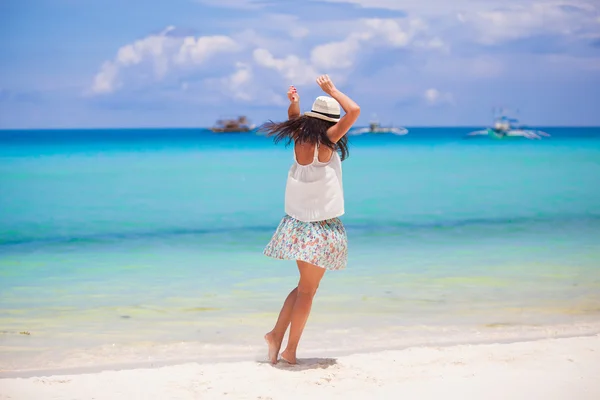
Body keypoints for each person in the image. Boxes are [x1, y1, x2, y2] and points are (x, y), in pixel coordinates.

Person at [260, 74, 360, 364]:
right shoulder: (328, 140)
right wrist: (332, 90)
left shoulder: (299, 138)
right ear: (330, 122)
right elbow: (354, 111)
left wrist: (294, 104)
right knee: (308, 291)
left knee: (304, 286)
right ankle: (289, 349)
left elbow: (293, 119)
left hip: (296, 225)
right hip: (320, 227)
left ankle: (276, 336)